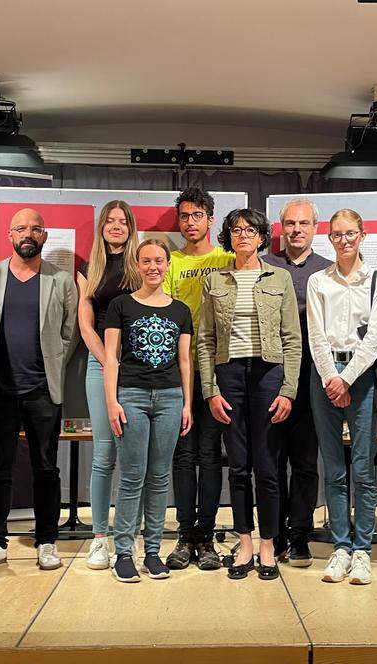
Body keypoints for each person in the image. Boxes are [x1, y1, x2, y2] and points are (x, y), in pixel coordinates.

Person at [0, 208, 77, 574]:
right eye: (20, 228)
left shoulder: (62, 281)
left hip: (42, 390)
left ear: (44, 236)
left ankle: (47, 539)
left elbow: (70, 333)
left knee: (46, 467)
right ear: (9, 235)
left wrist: (52, 364)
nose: (27, 234)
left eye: (35, 228)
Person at [199, 208, 301, 580]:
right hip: (229, 375)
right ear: (228, 236)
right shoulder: (215, 280)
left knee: (269, 466)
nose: (243, 235)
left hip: (268, 374)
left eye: (251, 230)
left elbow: (292, 338)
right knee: (239, 465)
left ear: (262, 237)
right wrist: (210, 390)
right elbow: (206, 340)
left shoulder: (281, 278)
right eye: (236, 230)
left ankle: (269, 545)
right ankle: (244, 541)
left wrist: (288, 389)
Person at [306, 209, 377, 585]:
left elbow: (376, 337)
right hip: (324, 378)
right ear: (329, 238)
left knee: (362, 468)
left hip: (361, 377)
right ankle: (340, 547)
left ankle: (362, 551)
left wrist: (347, 378)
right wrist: (331, 378)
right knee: (334, 468)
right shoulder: (316, 281)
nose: (344, 240)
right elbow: (315, 334)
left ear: (363, 234)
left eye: (351, 233)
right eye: (337, 234)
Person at [103, 238, 194, 583]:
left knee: (159, 478)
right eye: (147, 261)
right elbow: (111, 357)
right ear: (137, 266)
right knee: (131, 477)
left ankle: (153, 551)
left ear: (167, 264)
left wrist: (187, 403)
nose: (153, 267)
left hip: (170, 398)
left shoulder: (180, 311)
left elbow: (184, 361)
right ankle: (124, 553)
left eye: (159, 261)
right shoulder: (120, 306)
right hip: (132, 396)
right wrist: (112, 401)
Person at [162, 186, 234, 571]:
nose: (190, 222)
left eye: (197, 215)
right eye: (184, 216)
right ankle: (184, 534)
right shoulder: (170, 261)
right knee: (183, 455)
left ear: (210, 219)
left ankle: (206, 535)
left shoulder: (227, 258)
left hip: (219, 370)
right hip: (178, 370)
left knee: (210, 455)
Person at [262, 198, 331, 567]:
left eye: (304, 223)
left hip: (312, 377)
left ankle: (300, 536)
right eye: (290, 223)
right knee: (271, 460)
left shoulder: (328, 270)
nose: (296, 230)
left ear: (315, 228)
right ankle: (272, 537)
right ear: (281, 227)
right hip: (270, 375)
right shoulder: (264, 265)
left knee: (305, 461)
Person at [77, 201, 141, 570]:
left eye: (123, 222)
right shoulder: (90, 269)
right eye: (110, 221)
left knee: (134, 457)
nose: (116, 226)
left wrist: (122, 364)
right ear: (102, 227)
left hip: (135, 367)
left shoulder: (139, 265)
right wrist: (107, 361)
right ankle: (100, 537)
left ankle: (128, 535)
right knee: (103, 455)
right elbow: (86, 324)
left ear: (131, 228)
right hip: (100, 363)